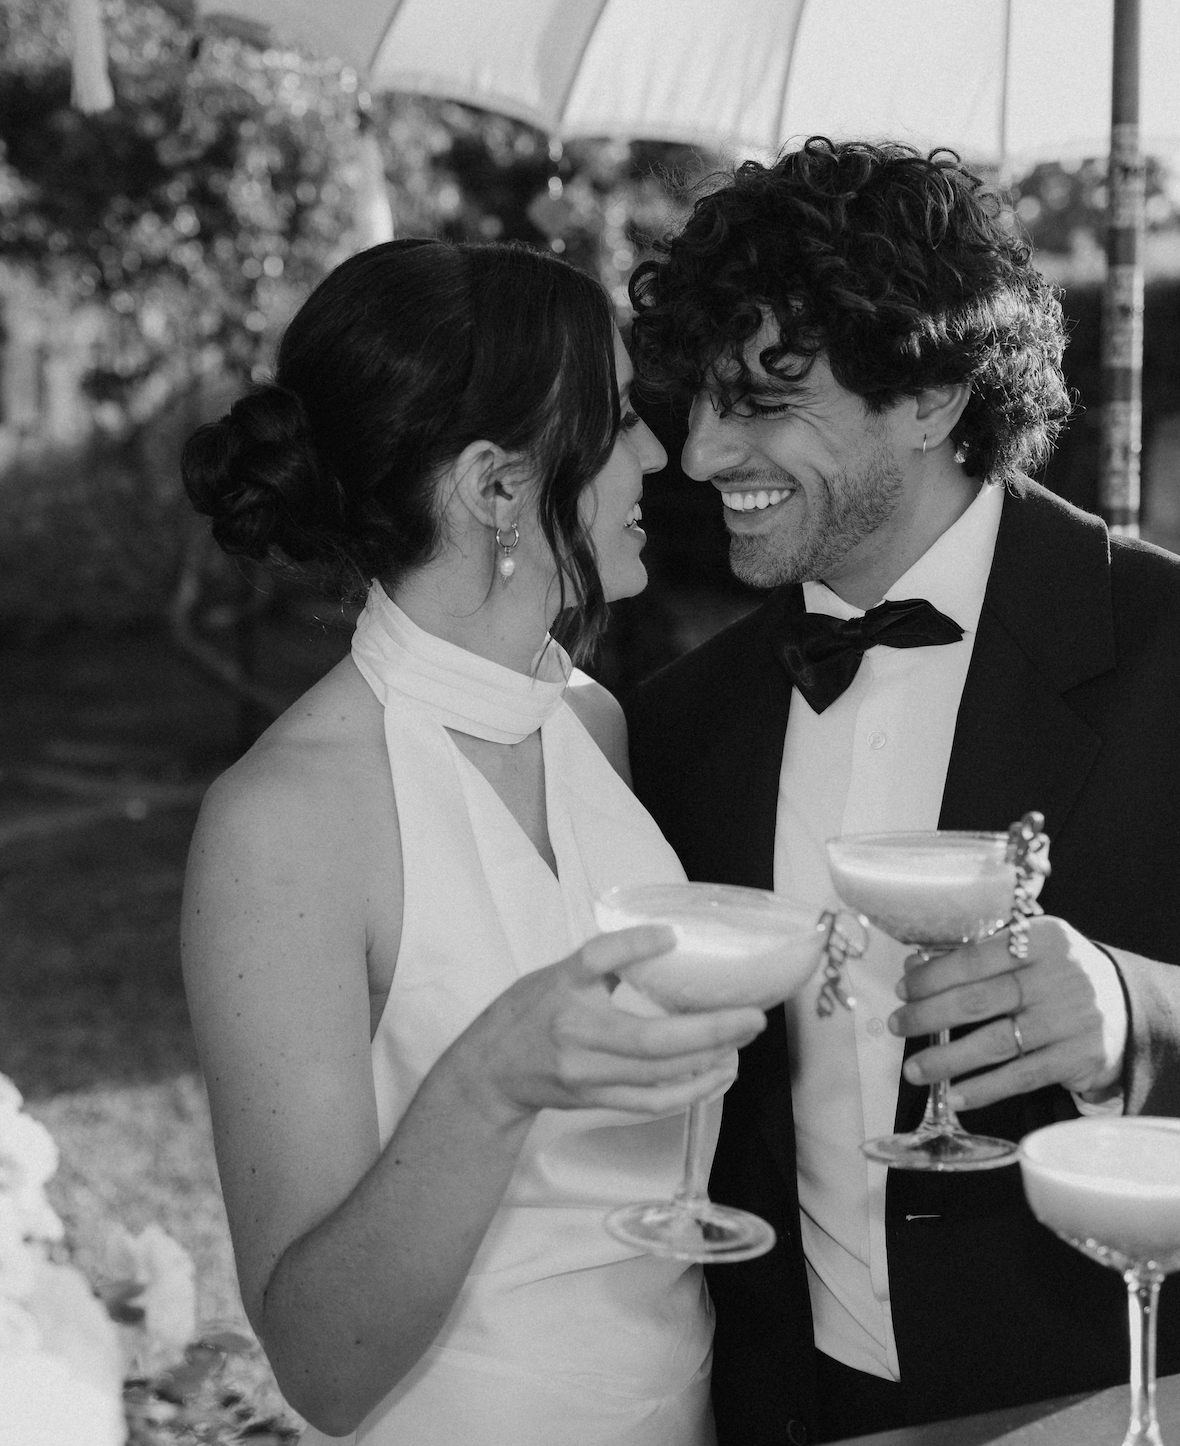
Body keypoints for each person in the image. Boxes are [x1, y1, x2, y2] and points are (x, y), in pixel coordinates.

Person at [624, 139, 1180, 1445]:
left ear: (931, 395)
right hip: (789, 1406)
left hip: (1137, 1399)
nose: (703, 451)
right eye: (701, 399)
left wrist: (1129, 1017)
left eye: (765, 399)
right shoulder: (680, 724)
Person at [177, 238, 763, 1446]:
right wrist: (491, 1083)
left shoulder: (591, 723)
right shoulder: (283, 822)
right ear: (497, 488)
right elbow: (320, 1364)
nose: (659, 454)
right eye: (618, 421)